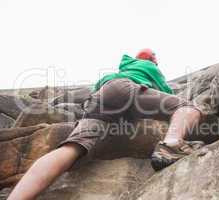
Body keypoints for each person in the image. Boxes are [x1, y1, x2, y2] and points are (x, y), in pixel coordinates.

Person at [8, 49, 204, 200]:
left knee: (72, 148)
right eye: (155, 58)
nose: (156, 60)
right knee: (189, 108)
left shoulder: (117, 71)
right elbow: (167, 95)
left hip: (99, 99)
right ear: (151, 59)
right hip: (126, 90)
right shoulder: (149, 67)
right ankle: (170, 145)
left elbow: (98, 93)